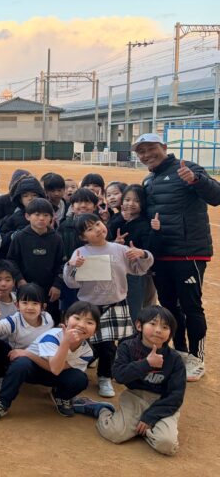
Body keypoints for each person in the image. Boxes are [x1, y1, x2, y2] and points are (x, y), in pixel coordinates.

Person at [134, 133, 220, 381]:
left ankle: (197, 358)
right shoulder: (148, 180)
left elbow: (216, 197)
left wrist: (196, 180)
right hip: (161, 255)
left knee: (191, 307)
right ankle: (180, 352)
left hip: (188, 253)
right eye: (141, 152)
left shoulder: (187, 168)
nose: (146, 155)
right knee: (170, 308)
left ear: (163, 147)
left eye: (150, 148)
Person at [64, 213, 154, 397]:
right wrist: (72, 266)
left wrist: (143, 254)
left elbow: (139, 269)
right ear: (83, 237)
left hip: (115, 304)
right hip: (89, 306)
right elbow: (71, 283)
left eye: (98, 224)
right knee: (84, 341)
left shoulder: (119, 249)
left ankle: (105, 377)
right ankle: (78, 370)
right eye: (90, 229)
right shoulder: (80, 253)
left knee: (108, 346)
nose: (97, 229)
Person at [0, 301, 100, 422]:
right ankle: (2, 403)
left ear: (95, 331)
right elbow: (55, 368)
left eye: (89, 322)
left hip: (54, 372)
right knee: (21, 364)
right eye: (77, 318)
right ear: (66, 320)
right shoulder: (52, 337)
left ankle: (60, 396)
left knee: (80, 379)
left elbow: (56, 370)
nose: (81, 325)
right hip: (33, 370)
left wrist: (29, 353)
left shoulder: (87, 352)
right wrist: (65, 342)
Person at [96, 306, 185, 456]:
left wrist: (150, 417)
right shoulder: (127, 347)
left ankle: (142, 429)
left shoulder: (175, 359)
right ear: (139, 325)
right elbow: (119, 376)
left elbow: (176, 395)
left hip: (162, 402)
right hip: (135, 396)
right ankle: (102, 410)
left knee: (167, 445)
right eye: (153, 324)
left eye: (165, 327)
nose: (158, 330)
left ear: (171, 333)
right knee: (115, 433)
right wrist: (147, 363)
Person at [0, 282, 54, 395]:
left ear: (43, 307)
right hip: (16, 358)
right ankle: (2, 377)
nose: (30, 307)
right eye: (25, 303)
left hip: (38, 359)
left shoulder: (48, 318)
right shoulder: (14, 320)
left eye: (35, 303)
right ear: (17, 305)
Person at [7, 198, 66, 323]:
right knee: (27, 319)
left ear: (52, 217)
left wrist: (57, 285)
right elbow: (12, 261)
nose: (41, 218)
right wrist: (19, 279)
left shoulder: (56, 238)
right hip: (26, 287)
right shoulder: (20, 237)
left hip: (50, 290)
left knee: (50, 320)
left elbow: (61, 264)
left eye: (46, 215)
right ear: (27, 216)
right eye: (37, 214)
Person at [106, 184, 160, 322]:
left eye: (137, 201)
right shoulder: (117, 219)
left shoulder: (145, 223)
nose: (131, 204)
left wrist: (155, 232)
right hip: (116, 273)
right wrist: (115, 241)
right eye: (127, 199)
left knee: (138, 311)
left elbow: (152, 248)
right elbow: (105, 239)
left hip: (138, 274)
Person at [58, 187, 100, 314]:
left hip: (94, 278)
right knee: (71, 311)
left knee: (92, 312)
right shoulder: (64, 226)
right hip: (71, 276)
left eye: (87, 202)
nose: (83, 205)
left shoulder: (100, 226)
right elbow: (60, 253)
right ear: (72, 206)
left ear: (95, 206)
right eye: (78, 202)